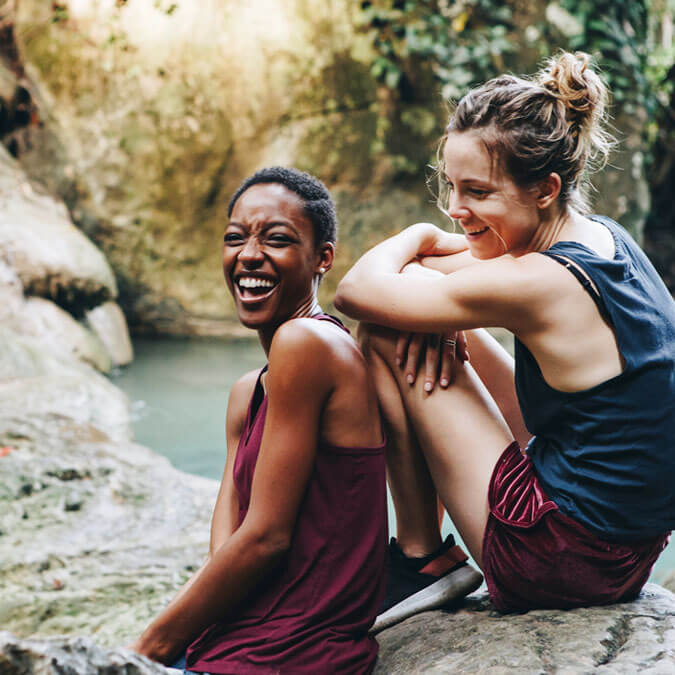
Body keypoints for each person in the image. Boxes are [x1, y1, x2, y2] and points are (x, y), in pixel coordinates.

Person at [335, 52, 674, 628]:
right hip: (623, 555)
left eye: (477, 192)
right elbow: (442, 269)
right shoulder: (602, 241)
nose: (453, 208)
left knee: (388, 330)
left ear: (545, 188)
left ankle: (421, 556)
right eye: (449, 185)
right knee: (421, 315)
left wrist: (418, 234)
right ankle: (425, 553)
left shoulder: (540, 281)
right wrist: (441, 309)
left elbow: (356, 291)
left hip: (559, 560)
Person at [130, 167, 387, 674]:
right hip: (231, 644)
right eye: (234, 238)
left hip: (292, 654)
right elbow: (228, 551)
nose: (248, 255)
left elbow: (266, 538)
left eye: (276, 239)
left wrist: (142, 653)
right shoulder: (247, 393)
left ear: (323, 259)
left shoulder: (308, 343)